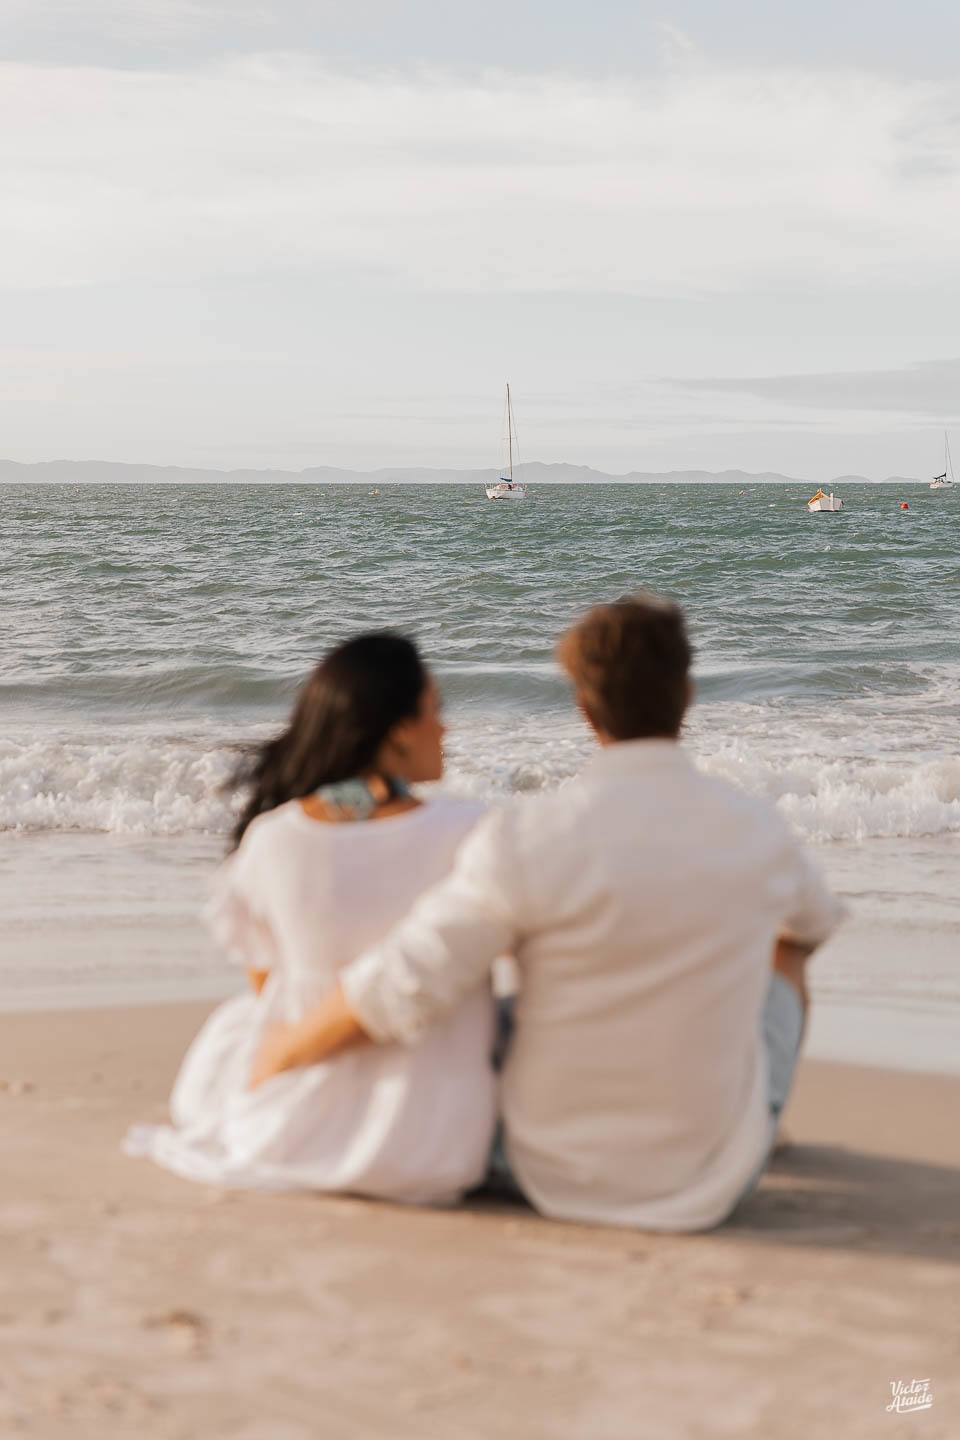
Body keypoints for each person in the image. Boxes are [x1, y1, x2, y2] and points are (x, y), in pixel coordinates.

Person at [250, 595, 845, 1232]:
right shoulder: (758, 829)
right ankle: (763, 1120)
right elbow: (812, 926)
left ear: (584, 709)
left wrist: (284, 1052)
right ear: (687, 696)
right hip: (713, 1178)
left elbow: (409, 977)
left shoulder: (528, 836)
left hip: (539, 1167)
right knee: (787, 953)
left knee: (497, 993)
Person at [125, 633, 496, 1203]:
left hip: (284, 1127)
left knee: (239, 1021)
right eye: (434, 710)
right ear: (398, 728)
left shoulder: (273, 839)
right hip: (435, 1142)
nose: (445, 727)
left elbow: (266, 992)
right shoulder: (476, 830)